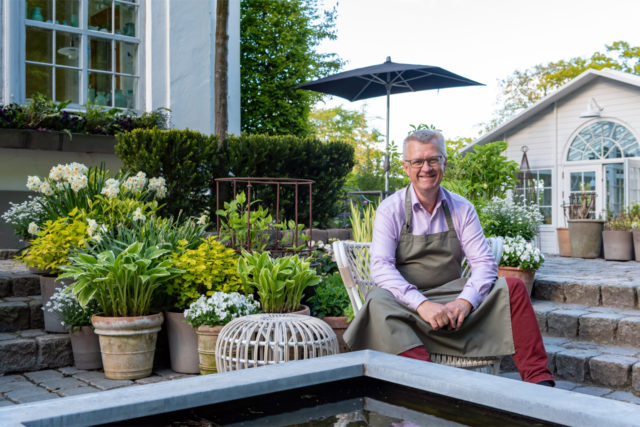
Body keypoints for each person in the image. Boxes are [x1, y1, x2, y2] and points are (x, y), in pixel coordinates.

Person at [343, 129, 554, 386]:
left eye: (433, 159)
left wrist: (464, 302)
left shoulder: (462, 208)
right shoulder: (391, 209)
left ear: (444, 163)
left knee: (513, 287)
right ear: (405, 167)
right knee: (376, 301)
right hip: (408, 308)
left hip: (453, 304)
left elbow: (484, 264)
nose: (426, 168)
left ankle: (540, 383)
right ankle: (429, 381)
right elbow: (381, 268)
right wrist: (422, 304)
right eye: (418, 161)